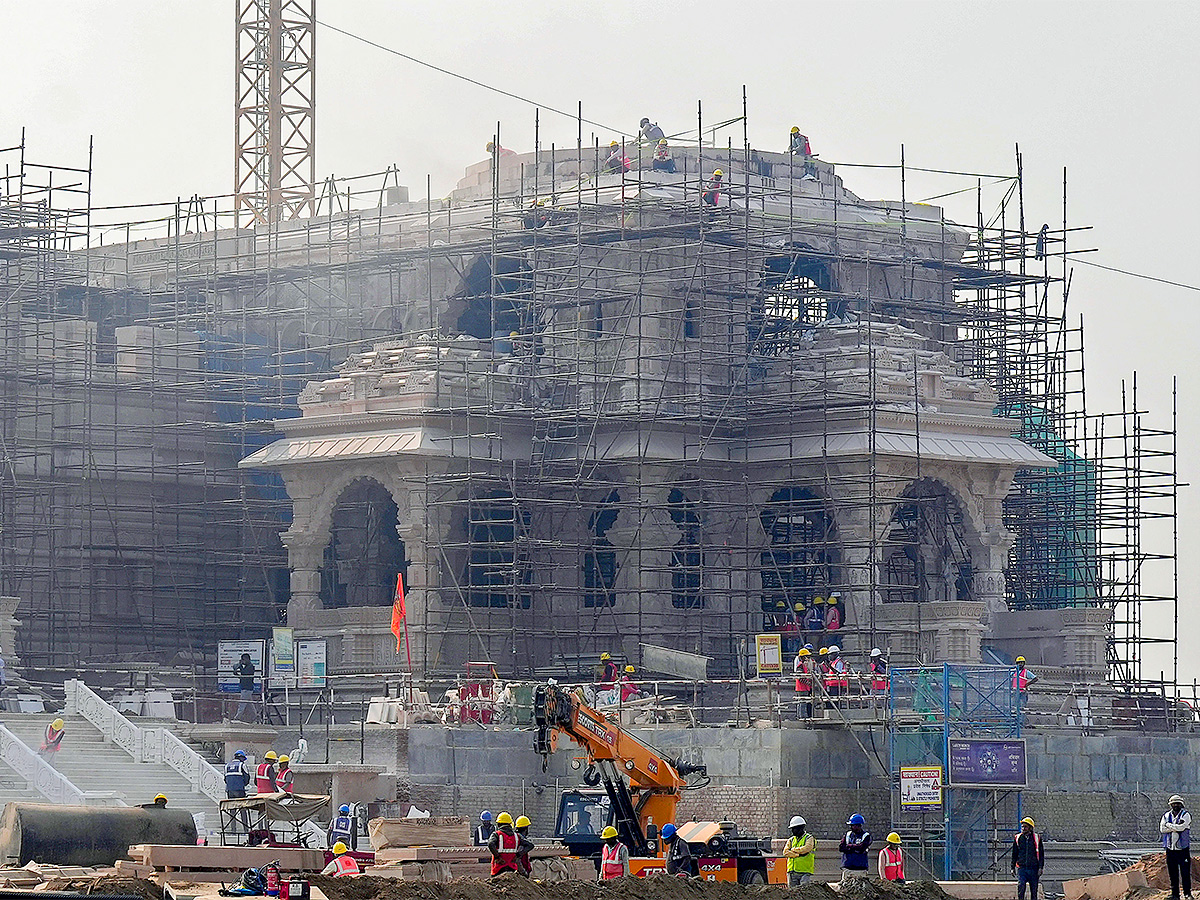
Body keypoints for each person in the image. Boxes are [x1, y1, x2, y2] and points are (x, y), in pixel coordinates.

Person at [1161, 794, 1192, 900]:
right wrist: (1175, 827)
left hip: (1183, 849)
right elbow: (1162, 829)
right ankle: (1175, 895)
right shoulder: (1166, 816)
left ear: (1181, 804)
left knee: (1185, 872)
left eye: (1177, 803)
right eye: (1174, 803)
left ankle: (1187, 894)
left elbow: (1182, 827)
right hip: (1170, 849)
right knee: (1173, 873)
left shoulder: (1186, 815)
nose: (1175, 805)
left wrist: (1169, 825)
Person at [487, 812, 531, 877]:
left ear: (498, 824)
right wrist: (518, 855)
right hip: (512, 868)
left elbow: (490, 843)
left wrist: (498, 857)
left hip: (498, 868)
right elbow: (530, 845)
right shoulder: (516, 836)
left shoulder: (496, 835)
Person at [1011, 816, 1044, 900]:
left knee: (1034, 891)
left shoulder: (1037, 838)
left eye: (1025, 826)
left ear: (1030, 828)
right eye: (1022, 826)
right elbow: (1014, 854)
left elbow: (1041, 854)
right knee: (1021, 886)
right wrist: (1012, 867)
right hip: (1022, 868)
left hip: (1034, 869)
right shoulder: (1018, 838)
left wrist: (1040, 867)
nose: (1023, 828)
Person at [783, 815, 816, 886]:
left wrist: (793, 850)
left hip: (804, 871)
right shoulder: (791, 840)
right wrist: (797, 854)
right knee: (792, 894)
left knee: (804, 891)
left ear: (801, 828)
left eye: (794, 828)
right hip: (792, 871)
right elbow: (785, 852)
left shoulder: (809, 838)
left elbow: (807, 848)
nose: (792, 831)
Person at [839, 813, 871, 881]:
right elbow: (841, 847)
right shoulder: (848, 835)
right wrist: (855, 848)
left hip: (860, 868)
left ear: (858, 825)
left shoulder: (865, 836)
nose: (851, 827)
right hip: (847, 867)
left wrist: (849, 846)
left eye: (853, 825)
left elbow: (862, 848)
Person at [234, 653, 256, 722]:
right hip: (245, 687)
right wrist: (236, 672)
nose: (243, 661)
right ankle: (256, 717)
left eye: (243, 660)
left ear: (247, 659)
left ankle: (237, 718)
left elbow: (245, 674)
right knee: (250, 705)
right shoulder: (246, 667)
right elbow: (242, 677)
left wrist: (240, 666)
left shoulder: (250, 666)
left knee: (242, 704)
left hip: (247, 688)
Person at [793, 648, 813, 718]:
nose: (808, 658)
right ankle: (802, 716)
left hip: (804, 687)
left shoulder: (804, 665)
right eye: (807, 657)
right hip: (801, 688)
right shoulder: (800, 666)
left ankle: (801, 716)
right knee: (802, 703)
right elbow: (800, 678)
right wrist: (808, 683)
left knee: (802, 702)